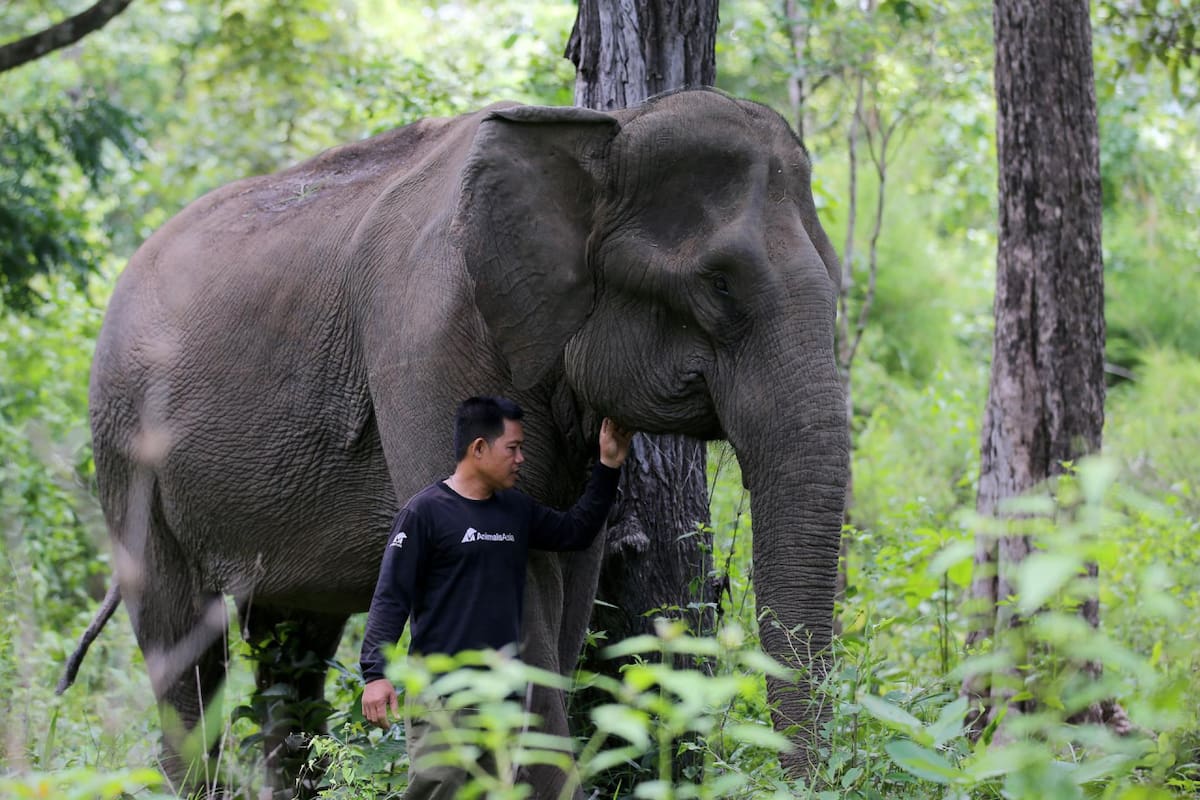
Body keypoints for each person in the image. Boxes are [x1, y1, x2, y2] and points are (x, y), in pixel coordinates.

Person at [359, 395, 633, 798]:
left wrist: (609, 466)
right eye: (514, 448)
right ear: (479, 448)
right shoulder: (424, 514)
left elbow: (576, 532)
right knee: (439, 792)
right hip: (442, 697)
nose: (521, 458)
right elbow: (391, 596)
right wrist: (375, 673)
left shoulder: (515, 510)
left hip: (504, 698)